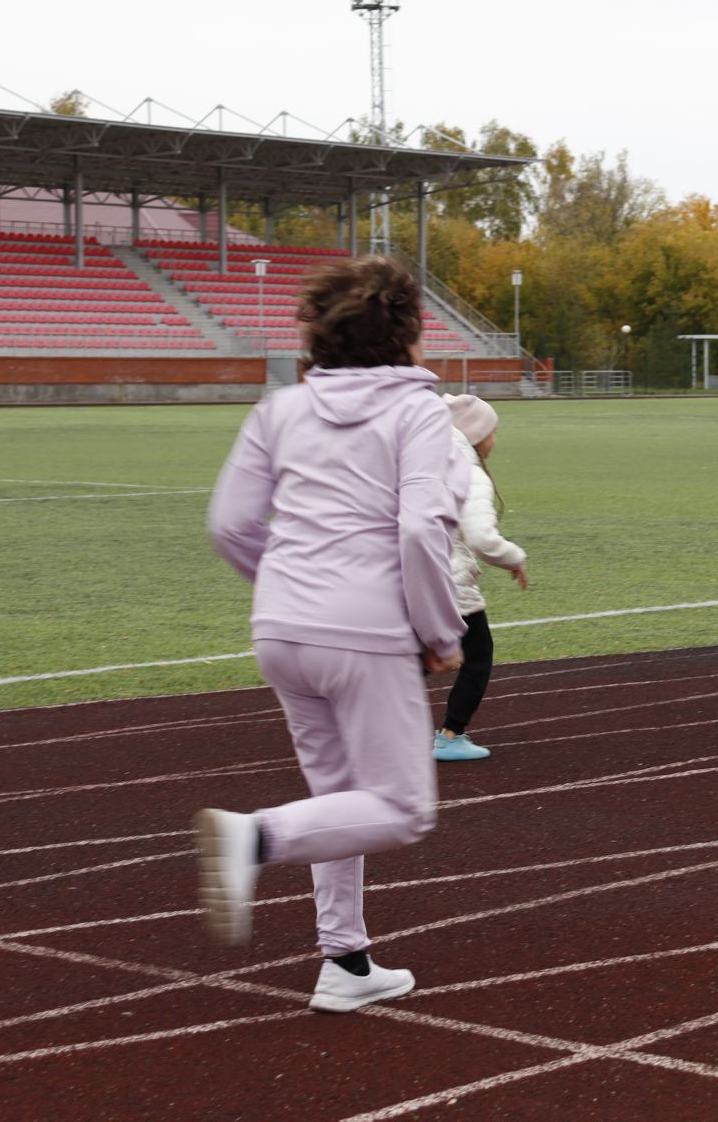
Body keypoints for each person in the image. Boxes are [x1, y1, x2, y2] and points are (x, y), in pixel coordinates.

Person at [198, 254, 469, 1014]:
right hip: (366, 631)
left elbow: (228, 526)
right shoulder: (418, 413)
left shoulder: (278, 411)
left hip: (281, 628)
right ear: (407, 334)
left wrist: (291, 586)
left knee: (340, 797)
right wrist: (440, 632)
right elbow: (421, 529)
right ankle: (252, 838)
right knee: (403, 808)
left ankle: (345, 962)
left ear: (318, 334)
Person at [431, 393, 529, 762]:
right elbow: (483, 539)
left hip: (408, 579)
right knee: (478, 654)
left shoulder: (425, 463)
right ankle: (450, 735)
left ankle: (374, 732)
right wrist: (516, 558)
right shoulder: (470, 475)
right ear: (476, 435)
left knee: (413, 659)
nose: (495, 438)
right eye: (493, 430)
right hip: (450, 583)